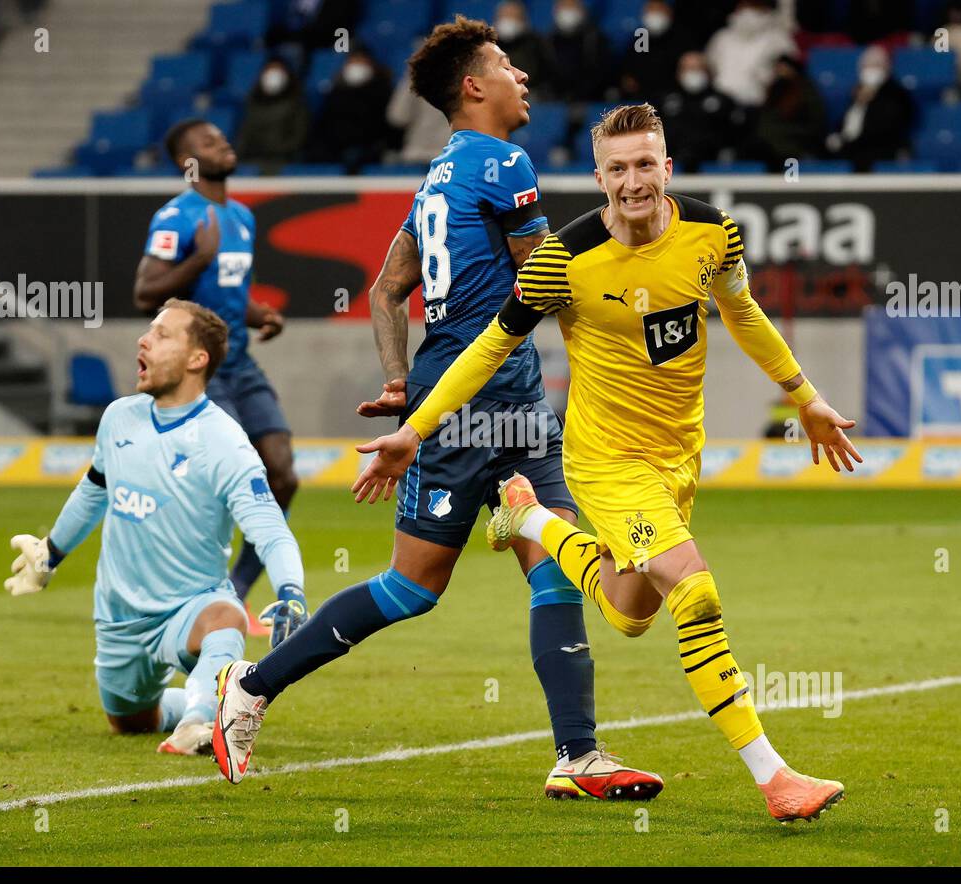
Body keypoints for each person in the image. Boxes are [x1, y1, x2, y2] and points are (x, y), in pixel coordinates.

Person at [347, 104, 862, 824]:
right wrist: (418, 428)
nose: (633, 181)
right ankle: (774, 777)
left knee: (630, 608)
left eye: (645, 164)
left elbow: (741, 310)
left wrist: (804, 397)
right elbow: (491, 346)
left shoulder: (715, 232)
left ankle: (528, 517)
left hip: (678, 455)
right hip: (605, 458)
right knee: (695, 590)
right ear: (599, 177)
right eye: (617, 168)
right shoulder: (565, 258)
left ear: (667, 168)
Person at [212, 17, 662, 802]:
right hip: (468, 400)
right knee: (414, 587)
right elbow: (545, 277)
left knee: (557, 564)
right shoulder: (506, 161)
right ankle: (251, 685)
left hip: (502, 396)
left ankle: (577, 754)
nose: (523, 77)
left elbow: (388, 291)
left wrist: (398, 380)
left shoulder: (435, 180)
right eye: (506, 65)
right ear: (473, 87)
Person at [3, 300, 305, 757]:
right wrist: (51, 553)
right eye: (149, 331)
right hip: (118, 618)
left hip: (189, 607)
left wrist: (290, 591)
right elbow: (93, 492)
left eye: (162, 335)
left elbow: (270, 529)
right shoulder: (119, 417)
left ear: (196, 359)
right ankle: (225, 698)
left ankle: (200, 722)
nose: (143, 340)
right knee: (128, 721)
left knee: (226, 617)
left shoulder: (224, 442)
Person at [133, 118, 301, 637]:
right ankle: (188, 595)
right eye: (207, 142)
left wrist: (260, 315)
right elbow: (145, 292)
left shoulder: (242, 217)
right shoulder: (176, 218)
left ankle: (237, 590)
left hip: (241, 363)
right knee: (224, 480)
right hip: (198, 371)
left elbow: (227, 294)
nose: (222, 144)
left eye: (222, 138)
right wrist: (197, 257)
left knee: (283, 474)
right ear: (187, 161)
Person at [829, 46, 915, 172]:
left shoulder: (895, 93)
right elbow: (845, 123)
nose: (871, 70)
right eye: (866, 66)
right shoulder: (856, 94)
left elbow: (887, 128)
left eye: (876, 66)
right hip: (850, 149)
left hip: (878, 150)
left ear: (887, 68)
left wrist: (876, 96)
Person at [307, 48, 393, 172]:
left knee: (352, 157)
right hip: (335, 146)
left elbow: (385, 127)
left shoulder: (382, 92)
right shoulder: (335, 92)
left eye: (361, 62)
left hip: (366, 147)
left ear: (371, 66)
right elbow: (324, 124)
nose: (356, 67)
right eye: (353, 62)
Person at [661, 50, 746, 170]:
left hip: (714, 163)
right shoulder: (665, 101)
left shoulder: (724, 101)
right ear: (678, 73)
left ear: (708, 72)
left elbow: (734, 136)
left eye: (697, 68)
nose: (692, 73)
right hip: (674, 163)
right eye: (688, 68)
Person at [704, 0, 796, 108]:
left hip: (759, 105)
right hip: (720, 102)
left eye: (754, 6)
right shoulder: (722, 37)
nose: (748, 11)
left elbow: (788, 70)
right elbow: (709, 67)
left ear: (765, 8)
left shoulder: (777, 37)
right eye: (744, 5)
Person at [745, 53, 827, 171]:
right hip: (771, 145)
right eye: (777, 67)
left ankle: (791, 184)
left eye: (783, 67)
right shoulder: (774, 90)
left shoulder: (806, 91)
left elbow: (817, 122)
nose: (779, 71)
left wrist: (790, 134)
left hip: (796, 144)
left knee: (789, 171)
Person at [235, 57, 310, 173]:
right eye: (269, 70)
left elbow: (298, 139)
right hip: (251, 161)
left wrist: (274, 149)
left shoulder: (297, 105)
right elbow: (244, 136)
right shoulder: (253, 103)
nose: (273, 75)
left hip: (281, 161)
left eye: (278, 70)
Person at [545, 0, 609, 103]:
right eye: (564, 6)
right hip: (555, 99)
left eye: (572, 6)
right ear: (555, 11)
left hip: (590, 99)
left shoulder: (595, 40)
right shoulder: (548, 41)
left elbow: (601, 73)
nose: (568, 11)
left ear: (582, 11)